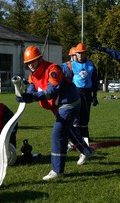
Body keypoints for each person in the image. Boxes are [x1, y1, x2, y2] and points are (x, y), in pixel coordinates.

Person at [16, 45, 94, 181]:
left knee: (58, 134)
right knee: (68, 129)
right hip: (58, 106)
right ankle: (86, 151)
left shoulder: (53, 69)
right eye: (28, 63)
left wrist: (33, 97)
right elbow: (31, 89)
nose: (31, 65)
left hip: (69, 103)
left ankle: (57, 171)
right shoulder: (32, 76)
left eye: (33, 61)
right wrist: (23, 95)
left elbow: (52, 92)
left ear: (40, 59)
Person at [69, 43, 99, 145]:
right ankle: (75, 139)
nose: (80, 55)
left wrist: (95, 96)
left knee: (85, 116)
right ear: (76, 54)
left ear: (86, 53)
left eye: (82, 53)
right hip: (75, 92)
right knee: (76, 116)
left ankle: (85, 138)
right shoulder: (71, 65)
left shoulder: (91, 65)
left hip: (87, 93)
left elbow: (95, 81)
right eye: (79, 53)